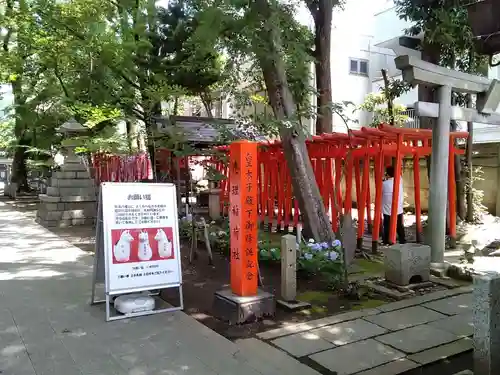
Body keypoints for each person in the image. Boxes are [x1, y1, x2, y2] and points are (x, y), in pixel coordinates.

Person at [382, 165, 406, 245]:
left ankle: (386, 241)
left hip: (387, 209)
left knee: (387, 226)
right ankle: (402, 240)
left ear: (387, 174)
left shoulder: (384, 184)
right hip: (398, 208)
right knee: (399, 226)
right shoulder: (400, 181)